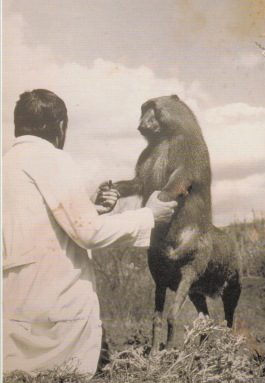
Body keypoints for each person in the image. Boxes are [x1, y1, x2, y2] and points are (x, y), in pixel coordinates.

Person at [2, 89, 177, 378]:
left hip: (14, 306)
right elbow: (89, 234)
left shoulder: (7, 165)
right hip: (57, 307)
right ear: (60, 127)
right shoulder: (52, 159)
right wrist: (149, 216)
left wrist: (90, 208)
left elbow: (36, 224)